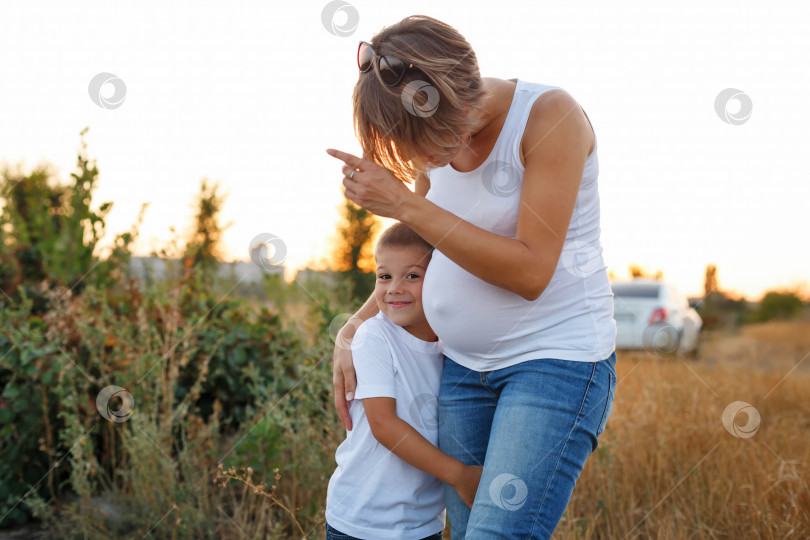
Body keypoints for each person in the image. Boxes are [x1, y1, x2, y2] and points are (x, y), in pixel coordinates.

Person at [327, 15, 617, 540]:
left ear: (452, 92)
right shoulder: (434, 145)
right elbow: (415, 261)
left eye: (420, 140)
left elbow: (531, 271)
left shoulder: (550, 116)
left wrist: (403, 205)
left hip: (554, 362)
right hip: (461, 370)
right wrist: (351, 329)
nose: (422, 158)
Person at [325, 223, 483, 540]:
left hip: (423, 526)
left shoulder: (448, 349)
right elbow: (383, 425)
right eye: (384, 276)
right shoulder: (374, 336)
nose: (394, 288)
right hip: (362, 522)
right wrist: (460, 476)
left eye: (412, 276)